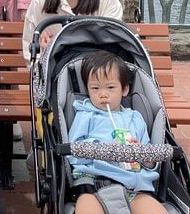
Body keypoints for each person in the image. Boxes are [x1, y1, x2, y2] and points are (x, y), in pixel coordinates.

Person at [68, 52, 165, 214]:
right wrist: (101, 149)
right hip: (94, 185)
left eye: (110, 87)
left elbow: (148, 155)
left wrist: (146, 159)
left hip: (133, 187)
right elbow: (72, 152)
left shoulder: (135, 118)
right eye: (95, 88)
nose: (103, 94)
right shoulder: (85, 115)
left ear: (124, 89)